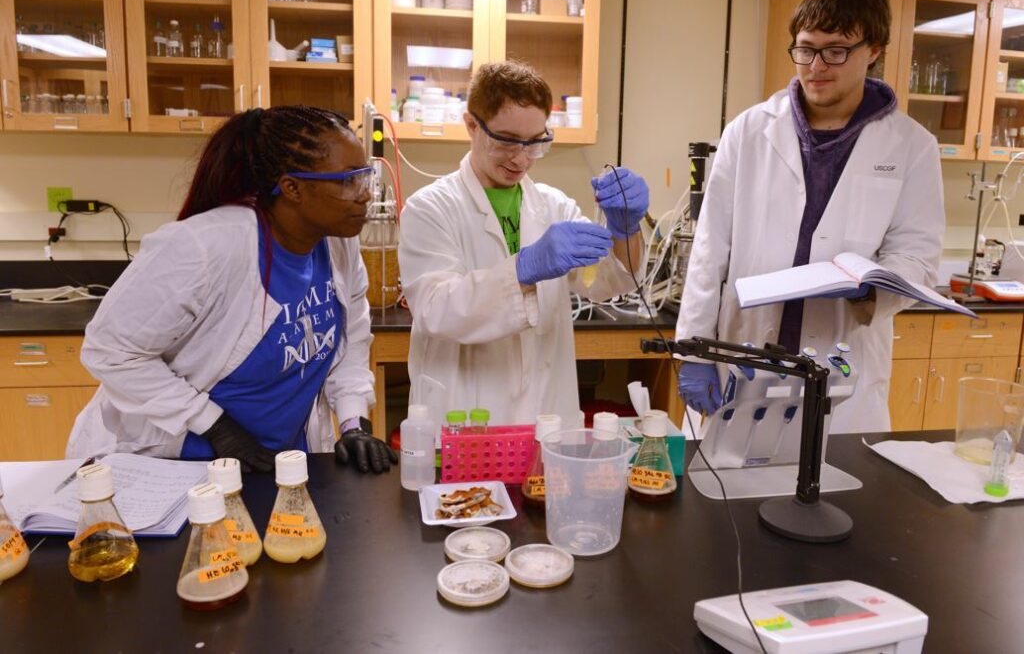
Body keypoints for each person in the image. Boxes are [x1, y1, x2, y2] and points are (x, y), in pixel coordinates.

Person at [66, 105, 398, 473]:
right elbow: (111, 351)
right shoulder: (204, 247)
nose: (364, 195)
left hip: (273, 466)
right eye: (347, 181)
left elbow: (350, 342)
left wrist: (354, 423)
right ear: (292, 188)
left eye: (364, 176)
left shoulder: (337, 243)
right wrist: (216, 427)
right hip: (177, 467)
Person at [675, 0, 944, 433]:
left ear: (873, 49)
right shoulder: (749, 131)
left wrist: (873, 287)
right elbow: (709, 250)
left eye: (836, 51)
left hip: (843, 367)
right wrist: (695, 352)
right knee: (727, 499)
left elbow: (917, 253)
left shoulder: (912, 145)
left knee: (831, 495)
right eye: (805, 49)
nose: (816, 67)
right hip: (745, 358)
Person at [398, 61, 650, 426]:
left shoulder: (553, 205)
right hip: (466, 417)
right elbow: (436, 311)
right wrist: (523, 269)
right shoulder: (430, 208)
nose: (520, 158)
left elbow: (610, 281)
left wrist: (625, 228)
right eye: (506, 141)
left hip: (546, 416)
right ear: (471, 125)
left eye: (535, 143)